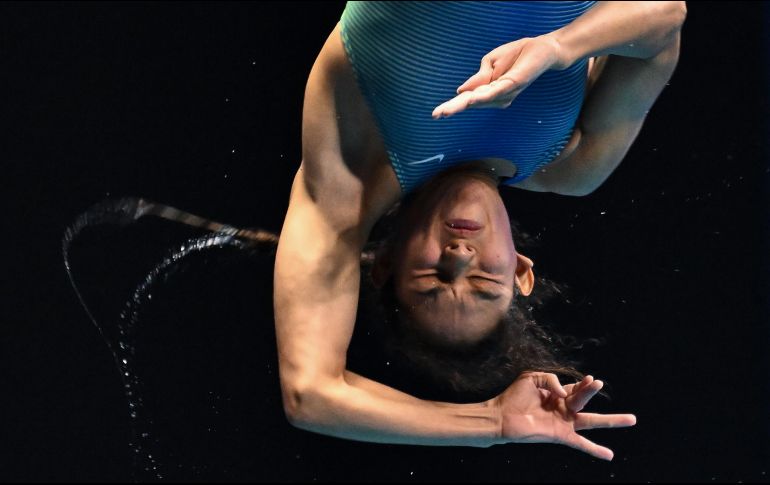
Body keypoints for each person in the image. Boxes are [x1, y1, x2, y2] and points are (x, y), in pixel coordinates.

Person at [273, 1, 685, 459]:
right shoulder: (572, 165)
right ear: (520, 270)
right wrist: (557, 46)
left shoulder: (350, 176)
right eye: (484, 282)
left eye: (433, 279)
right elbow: (664, 18)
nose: (460, 256)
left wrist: (491, 422)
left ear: (385, 262)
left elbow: (309, 396)